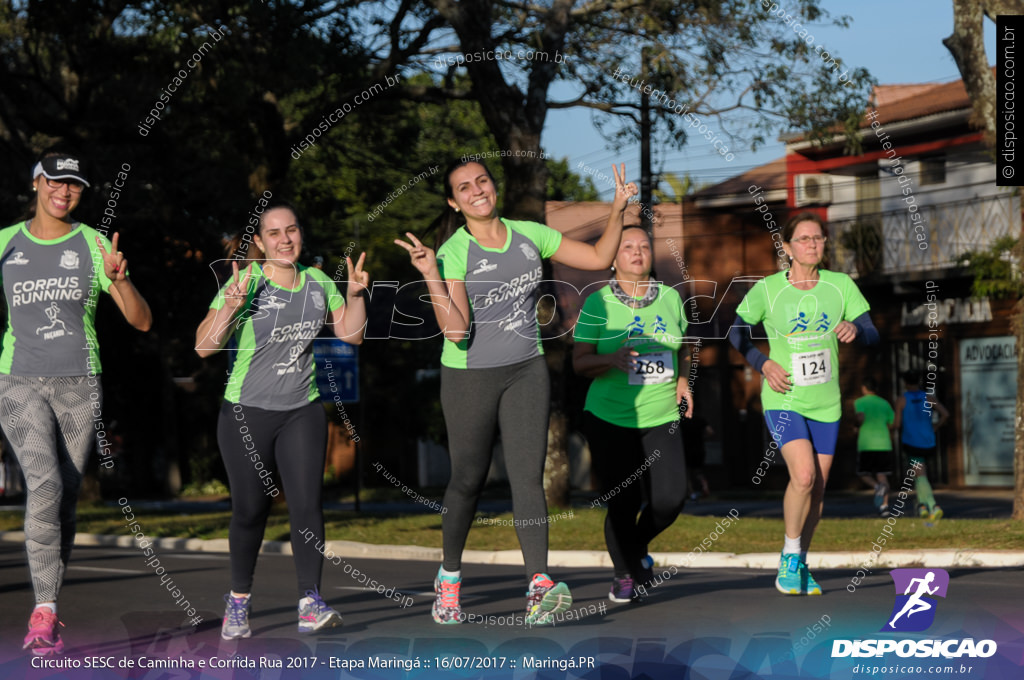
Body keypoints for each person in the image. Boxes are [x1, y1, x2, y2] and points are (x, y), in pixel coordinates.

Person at [395, 160, 637, 625]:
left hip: (527, 368)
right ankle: (448, 579)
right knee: (469, 479)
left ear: (493, 185)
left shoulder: (530, 234)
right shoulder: (453, 251)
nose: (476, 191)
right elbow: (456, 331)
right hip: (470, 374)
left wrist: (618, 210)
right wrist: (430, 272)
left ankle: (538, 585)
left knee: (529, 477)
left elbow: (598, 258)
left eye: (482, 181)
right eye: (464, 188)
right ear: (454, 201)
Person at [195, 204, 368, 639]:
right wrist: (230, 308)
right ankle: (238, 600)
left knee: (307, 503)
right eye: (274, 233)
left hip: (301, 409)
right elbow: (203, 348)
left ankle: (310, 601)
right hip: (245, 413)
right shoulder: (246, 283)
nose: (285, 239)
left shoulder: (317, 281)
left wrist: (355, 295)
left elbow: (351, 333)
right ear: (260, 242)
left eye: (291, 230)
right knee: (251, 511)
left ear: (300, 234)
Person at [4, 148, 152, 655]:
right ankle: (43, 612)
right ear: (36, 184)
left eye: (74, 186)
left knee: (64, 497)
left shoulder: (93, 244)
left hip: (79, 384)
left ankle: (50, 604)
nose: (63, 192)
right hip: (16, 380)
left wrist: (120, 279)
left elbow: (141, 321)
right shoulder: (4, 244)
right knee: (43, 482)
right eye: (55, 182)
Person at [729, 212, 879, 596]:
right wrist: (763, 364)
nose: (813, 244)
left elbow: (872, 331)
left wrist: (855, 328)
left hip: (826, 403)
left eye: (819, 238)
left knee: (819, 490)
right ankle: (790, 554)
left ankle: (801, 562)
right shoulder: (767, 289)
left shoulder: (840, 285)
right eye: (805, 239)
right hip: (784, 398)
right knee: (804, 476)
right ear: (787, 246)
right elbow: (736, 332)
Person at [572, 226, 692, 602]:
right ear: (613, 258)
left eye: (644, 246)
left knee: (671, 499)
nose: (637, 252)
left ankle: (634, 549)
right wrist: (611, 359)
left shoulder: (671, 298)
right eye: (628, 247)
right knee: (623, 502)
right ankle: (624, 573)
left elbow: (685, 347)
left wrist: (684, 381)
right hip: (610, 416)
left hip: (660, 413)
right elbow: (579, 362)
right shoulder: (598, 302)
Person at [894, 371, 949, 521]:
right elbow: (945, 413)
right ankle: (922, 506)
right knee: (918, 473)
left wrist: (891, 427)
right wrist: (935, 426)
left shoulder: (901, 400)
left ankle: (933, 505)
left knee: (921, 475)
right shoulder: (928, 397)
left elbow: (897, 423)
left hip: (912, 441)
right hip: (928, 440)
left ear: (905, 383)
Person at [853, 378, 896, 517]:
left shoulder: (860, 402)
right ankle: (884, 507)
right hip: (883, 443)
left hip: (867, 443)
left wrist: (856, 427)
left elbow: (860, 418)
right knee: (882, 475)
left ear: (864, 388)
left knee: (863, 473)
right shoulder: (885, 403)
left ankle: (877, 487)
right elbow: (892, 422)